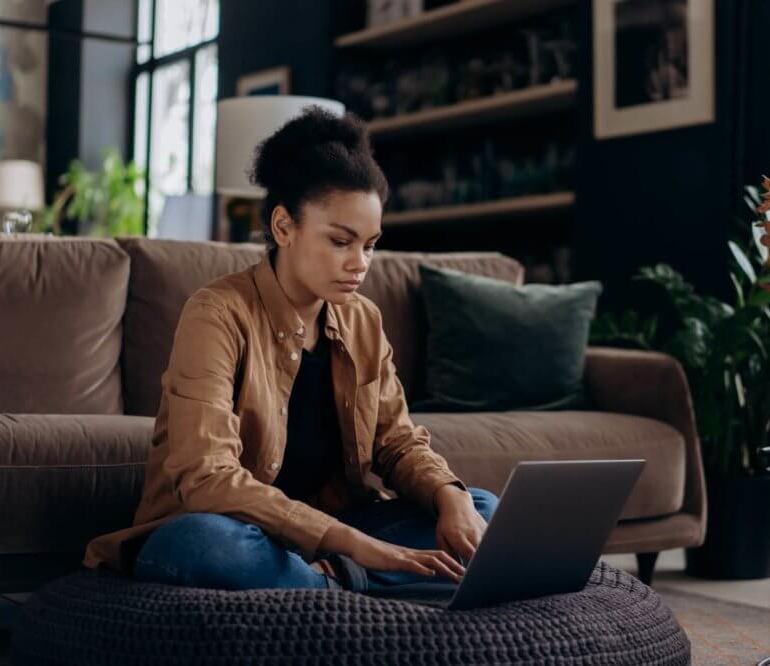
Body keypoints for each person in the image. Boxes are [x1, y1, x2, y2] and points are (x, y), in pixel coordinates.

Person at [81, 106, 497, 592]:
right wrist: (349, 543)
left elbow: (397, 442)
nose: (359, 263)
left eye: (370, 244)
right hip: (237, 530)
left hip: (336, 529)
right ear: (283, 227)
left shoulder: (363, 320)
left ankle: (326, 586)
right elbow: (206, 477)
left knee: (483, 510)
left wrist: (451, 497)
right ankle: (363, 583)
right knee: (201, 545)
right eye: (341, 241)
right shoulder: (217, 313)